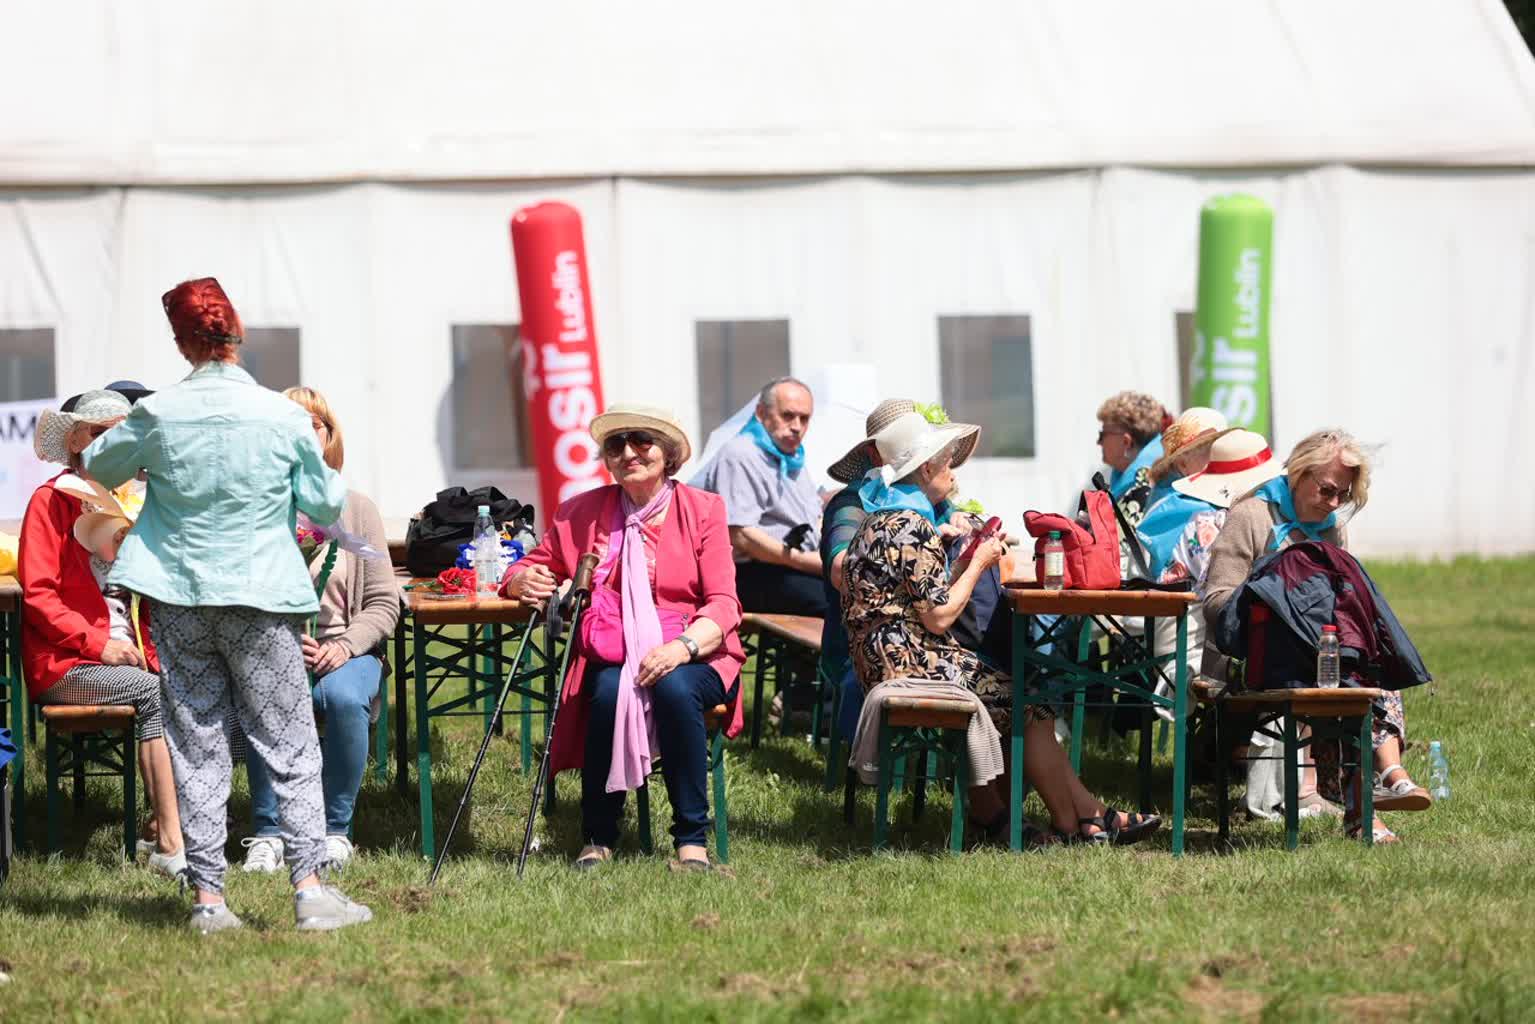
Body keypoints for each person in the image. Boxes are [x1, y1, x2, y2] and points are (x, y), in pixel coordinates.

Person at [84, 277, 371, 932]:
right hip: (261, 594)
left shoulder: (158, 413)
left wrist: (150, 459)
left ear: (181, 342)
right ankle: (309, 890)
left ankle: (209, 900)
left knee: (197, 744)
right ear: (236, 336)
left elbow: (98, 465)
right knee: (289, 740)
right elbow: (325, 502)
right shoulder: (282, 416)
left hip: (180, 597)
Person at [841, 411, 1159, 845]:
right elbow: (938, 616)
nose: (952, 472)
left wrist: (962, 561)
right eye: (946, 463)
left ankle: (1079, 818)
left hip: (885, 659)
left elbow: (922, 597)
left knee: (1028, 697)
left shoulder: (882, 518)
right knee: (1030, 702)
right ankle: (1077, 819)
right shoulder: (911, 524)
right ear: (927, 469)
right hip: (908, 664)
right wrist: (979, 562)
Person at [502, 404, 746, 871]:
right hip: (616, 651)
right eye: (616, 445)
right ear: (607, 460)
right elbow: (529, 565)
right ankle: (598, 834)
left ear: (668, 454)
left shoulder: (704, 509)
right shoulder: (580, 513)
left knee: (674, 688)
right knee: (610, 690)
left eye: (642, 441)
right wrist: (519, 581)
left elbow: (724, 603)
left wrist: (681, 648)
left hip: (697, 649)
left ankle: (691, 839)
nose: (629, 452)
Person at [1202, 428, 1428, 842]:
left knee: (1368, 675)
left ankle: (1382, 789)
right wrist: (1270, 599)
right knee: (1346, 682)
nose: (1334, 503)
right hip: (1252, 663)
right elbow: (1215, 601)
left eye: (1343, 495)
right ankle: (1372, 800)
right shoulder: (1251, 516)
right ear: (1298, 473)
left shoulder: (1331, 528)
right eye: (1327, 490)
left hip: (1319, 659)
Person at [18, 387, 184, 877]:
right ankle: (173, 843)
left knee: (201, 689)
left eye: (120, 436)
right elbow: (39, 597)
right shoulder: (50, 501)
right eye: (98, 433)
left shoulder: (138, 501)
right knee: (153, 693)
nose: (110, 444)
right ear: (74, 441)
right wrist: (99, 645)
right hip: (65, 662)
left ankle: (165, 824)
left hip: (134, 651)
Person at [240, 386, 398, 874]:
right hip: (274, 646)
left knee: (345, 698)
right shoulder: (256, 508)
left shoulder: (357, 509)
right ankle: (269, 833)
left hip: (346, 649)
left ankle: (334, 831)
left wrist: (346, 646)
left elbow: (383, 602)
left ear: (329, 437)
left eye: (313, 424)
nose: (302, 432)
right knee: (263, 693)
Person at [692, 377, 827, 617]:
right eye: (788, 415)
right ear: (761, 413)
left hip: (793, 565)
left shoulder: (792, 457)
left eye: (804, 418)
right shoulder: (741, 454)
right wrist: (809, 562)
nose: (797, 426)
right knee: (835, 605)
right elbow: (741, 536)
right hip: (752, 572)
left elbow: (812, 516)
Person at [1096, 390, 1173, 528]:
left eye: (1103, 435)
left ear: (1126, 441)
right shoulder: (1156, 464)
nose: (1099, 442)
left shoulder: (1143, 484)